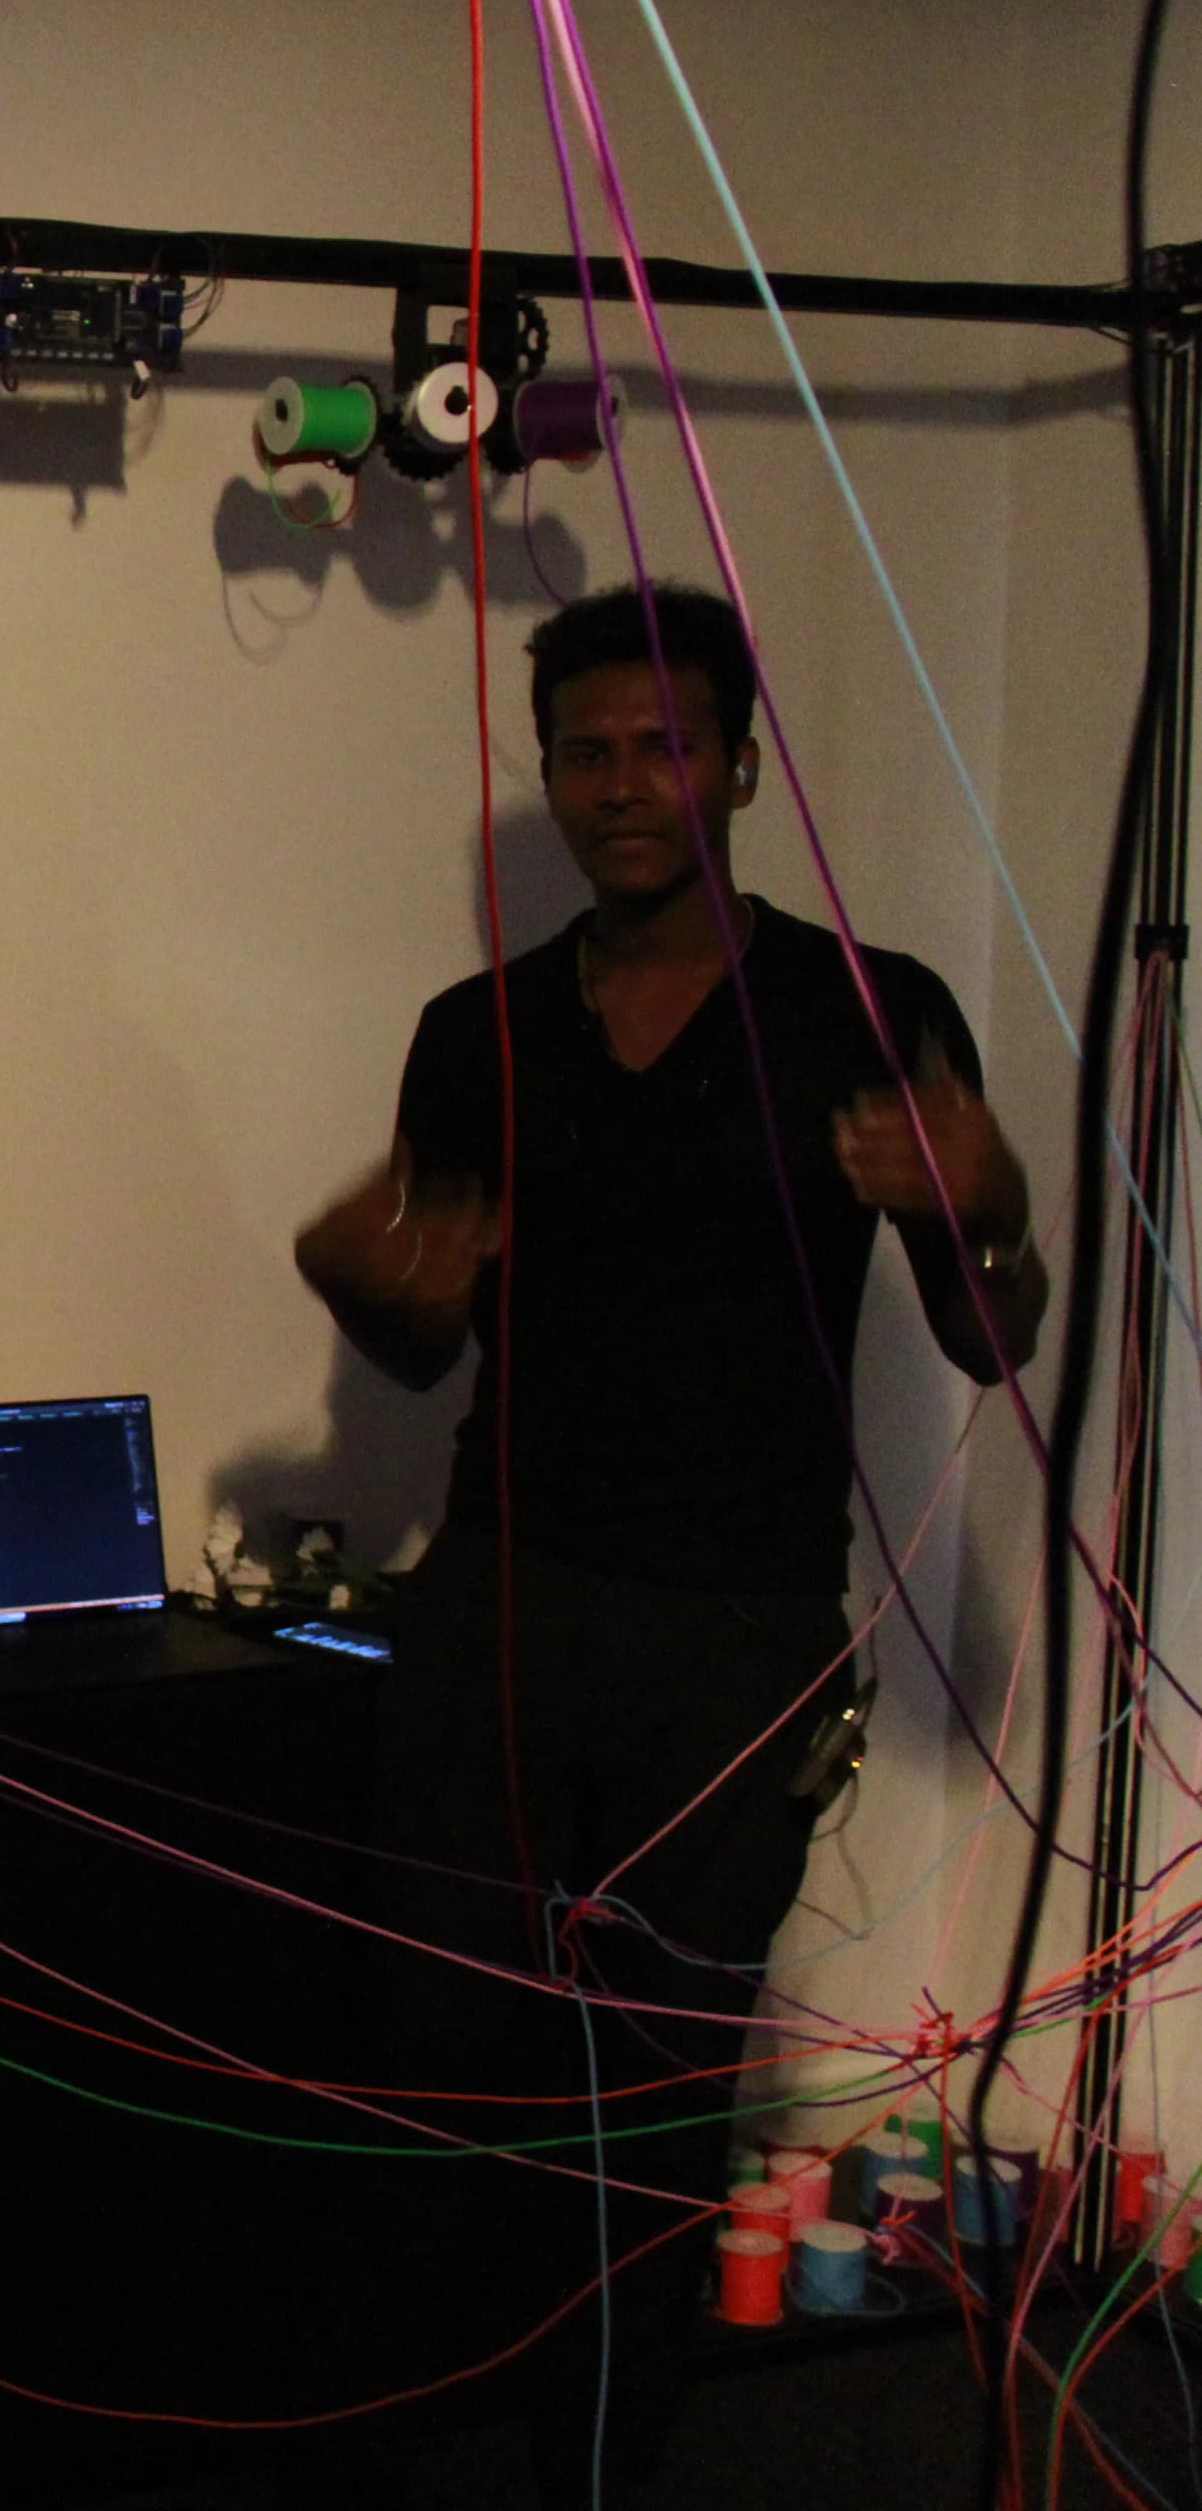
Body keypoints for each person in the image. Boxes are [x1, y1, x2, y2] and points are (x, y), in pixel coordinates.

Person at [291, 583, 1044, 2506]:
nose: (624, 784)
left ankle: (605, 2470)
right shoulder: (475, 1034)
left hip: (734, 1636)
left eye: (662, 746)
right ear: (550, 777)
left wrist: (988, 1208)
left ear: (737, 767)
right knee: (436, 2054)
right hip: (503, 1608)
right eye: (587, 753)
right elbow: (428, 1337)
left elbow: (990, 1335)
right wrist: (363, 1286)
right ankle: (403, 2448)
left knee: (658, 2088)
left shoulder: (863, 1010)